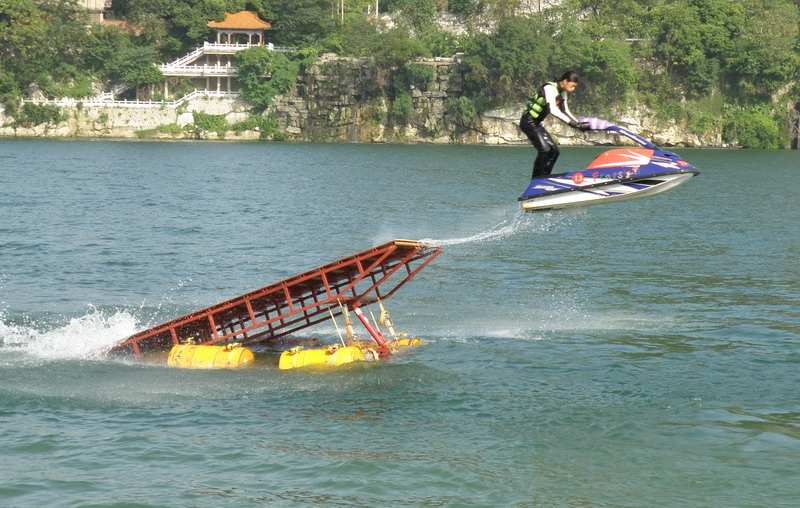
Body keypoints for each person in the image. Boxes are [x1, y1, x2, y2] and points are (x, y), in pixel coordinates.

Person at [520, 70, 590, 179]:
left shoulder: (562, 93)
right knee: (545, 150)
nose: (573, 89)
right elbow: (552, 109)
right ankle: (535, 181)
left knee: (554, 151)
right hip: (528, 121)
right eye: (572, 86)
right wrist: (571, 123)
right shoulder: (550, 89)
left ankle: (545, 178)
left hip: (537, 123)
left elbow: (565, 110)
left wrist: (578, 123)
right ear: (565, 81)